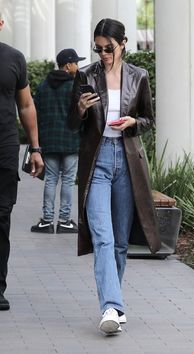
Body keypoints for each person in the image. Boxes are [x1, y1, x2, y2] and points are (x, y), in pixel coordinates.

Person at [69, 18, 161, 335]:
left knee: (120, 241)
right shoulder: (85, 75)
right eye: (98, 49)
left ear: (123, 43)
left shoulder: (139, 76)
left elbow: (149, 119)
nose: (104, 54)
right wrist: (80, 108)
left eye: (109, 48)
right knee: (103, 237)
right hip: (96, 160)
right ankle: (111, 306)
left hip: (127, 159)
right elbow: (72, 123)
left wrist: (133, 121)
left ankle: (114, 303)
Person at [0, 14, 44, 311]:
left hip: (4, 149)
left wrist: (36, 148)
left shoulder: (14, 58)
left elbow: (26, 105)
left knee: (1, 218)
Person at [31, 49, 85, 234]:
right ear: (68, 65)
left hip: (49, 142)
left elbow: (35, 114)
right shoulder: (74, 87)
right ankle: (64, 221)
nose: (78, 66)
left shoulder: (43, 86)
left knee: (51, 180)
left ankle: (46, 221)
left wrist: (35, 144)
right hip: (70, 141)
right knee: (68, 181)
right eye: (76, 63)